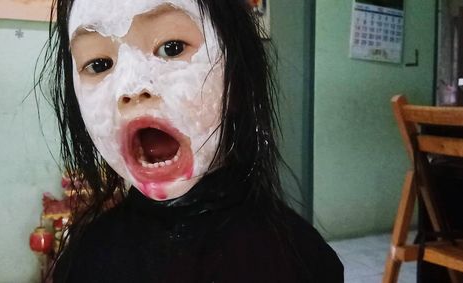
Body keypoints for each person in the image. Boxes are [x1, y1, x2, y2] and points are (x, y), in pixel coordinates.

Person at [41, 0, 343, 282]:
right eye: (98, 65)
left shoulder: (301, 259)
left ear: (236, 80)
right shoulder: (85, 260)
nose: (130, 88)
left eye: (171, 48)